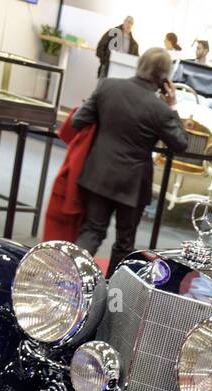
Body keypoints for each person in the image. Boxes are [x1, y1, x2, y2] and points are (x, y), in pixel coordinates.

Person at [73, 48, 188, 274]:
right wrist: (172, 105)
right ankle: (113, 291)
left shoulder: (107, 86)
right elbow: (180, 143)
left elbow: (79, 120)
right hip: (133, 184)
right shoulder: (161, 109)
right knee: (125, 243)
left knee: (92, 231)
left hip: (98, 173)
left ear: (139, 64)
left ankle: (65, 278)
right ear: (165, 78)